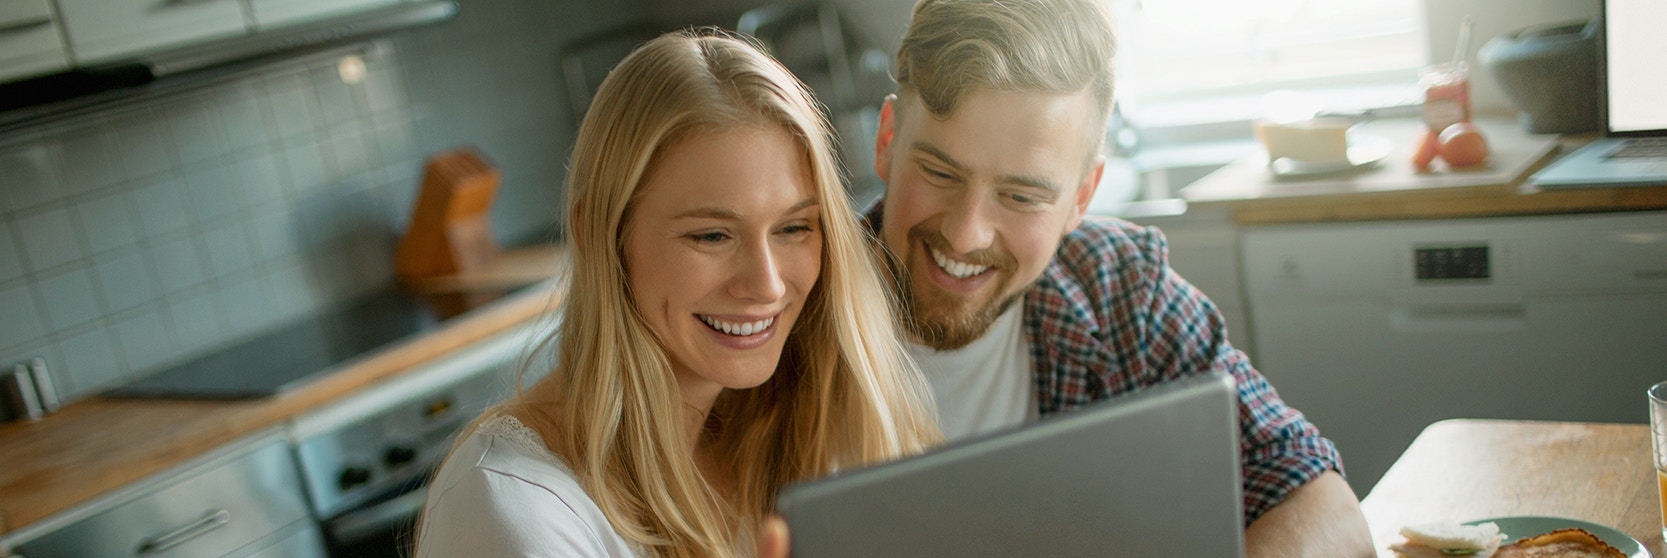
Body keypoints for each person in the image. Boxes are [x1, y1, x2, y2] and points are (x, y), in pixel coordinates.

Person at [861, 0, 1375, 556]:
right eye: (939, 173)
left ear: (1082, 196)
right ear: (888, 139)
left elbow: (1320, 502)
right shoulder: (786, 305)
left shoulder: (1121, 291)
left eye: (1021, 196)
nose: (966, 235)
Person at [414, 29, 940, 558]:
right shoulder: (511, 508)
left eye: (794, 228)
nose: (768, 284)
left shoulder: (801, 431)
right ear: (600, 234)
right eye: (712, 235)